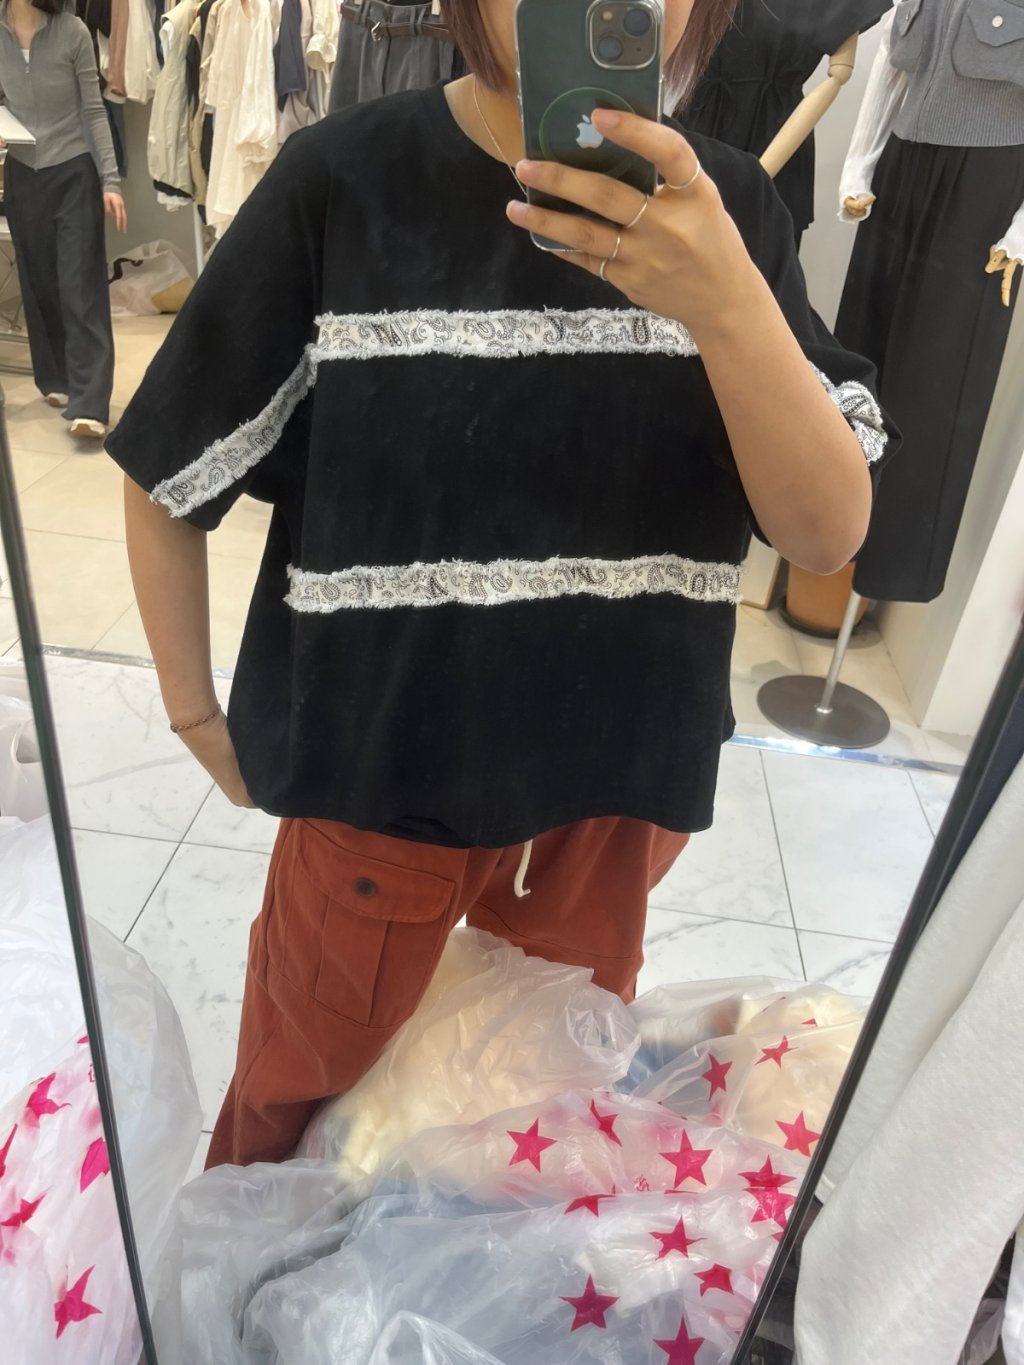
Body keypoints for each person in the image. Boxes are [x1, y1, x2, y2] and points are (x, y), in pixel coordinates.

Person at [106, 0, 897, 1169]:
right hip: (381, 796)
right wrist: (192, 711)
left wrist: (727, 301)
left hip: (612, 804)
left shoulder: (730, 214)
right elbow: (169, 459)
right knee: (296, 1120)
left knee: (525, 1150)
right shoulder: (346, 182)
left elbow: (825, 535)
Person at [0, 0, 126, 439]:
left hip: (74, 170)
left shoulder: (72, 31)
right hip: (21, 173)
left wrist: (110, 180)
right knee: (39, 282)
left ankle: (90, 403)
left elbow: (93, 110)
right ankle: (57, 378)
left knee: (80, 284)